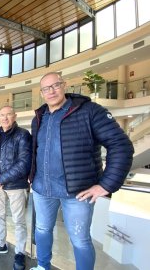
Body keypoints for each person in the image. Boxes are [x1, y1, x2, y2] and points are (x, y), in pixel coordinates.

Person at [29, 72, 134, 270]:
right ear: (41, 93)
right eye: (46, 88)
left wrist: (106, 185)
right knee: (42, 229)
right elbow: (37, 150)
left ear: (65, 85)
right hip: (43, 189)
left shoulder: (90, 111)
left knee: (80, 240)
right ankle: (43, 266)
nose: (51, 91)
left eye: (56, 85)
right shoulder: (39, 117)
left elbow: (121, 145)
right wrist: (31, 176)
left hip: (77, 192)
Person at [0, 106, 32, 270]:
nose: (5, 118)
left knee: (19, 220)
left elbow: (24, 163)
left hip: (15, 185)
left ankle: (20, 252)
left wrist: (1, 179)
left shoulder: (23, 135)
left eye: (8, 115)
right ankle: (1, 243)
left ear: (15, 116)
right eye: (2, 115)